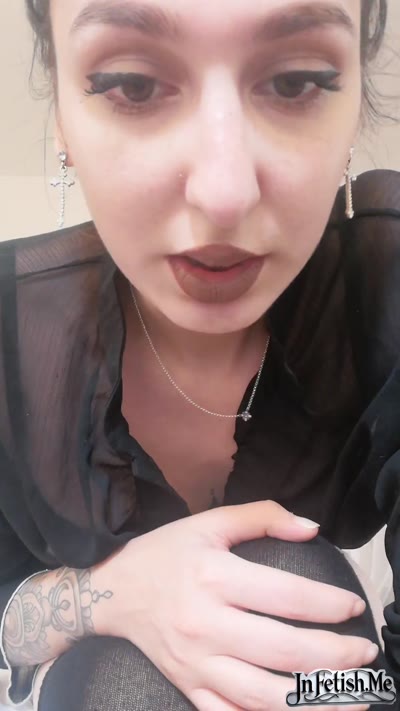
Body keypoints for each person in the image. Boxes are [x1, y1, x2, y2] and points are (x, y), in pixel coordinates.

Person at [0, 0, 399, 709]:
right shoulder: (12, 337)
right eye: (132, 84)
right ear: (60, 115)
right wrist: (106, 595)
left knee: (293, 584)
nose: (223, 194)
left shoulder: (385, 283)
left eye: (296, 81)